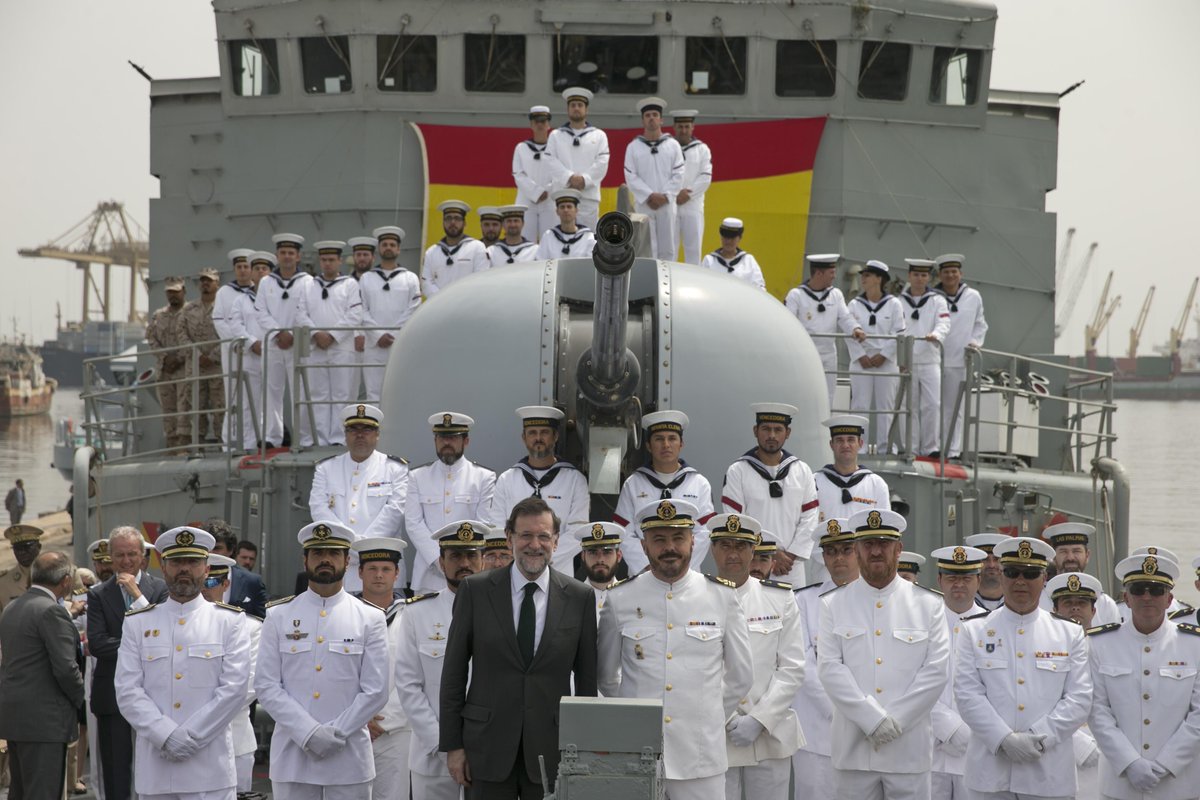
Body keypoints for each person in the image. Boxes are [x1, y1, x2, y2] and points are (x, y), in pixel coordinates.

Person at [441, 497, 598, 798]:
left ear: (556, 540)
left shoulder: (580, 598)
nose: (534, 545)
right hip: (485, 749)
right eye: (526, 535)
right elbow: (453, 675)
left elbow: (587, 683)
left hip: (552, 751)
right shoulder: (475, 591)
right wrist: (453, 746)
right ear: (509, 537)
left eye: (543, 536)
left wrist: (583, 748)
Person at [598, 499, 754, 800]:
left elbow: (741, 676)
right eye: (659, 539)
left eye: (678, 538)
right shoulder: (619, 599)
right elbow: (606, 676)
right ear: (643, 546)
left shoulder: (721, 596)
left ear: (693, 541)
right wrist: (635, 716)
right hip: (638, 753)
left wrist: (705, 716)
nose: (670, 547)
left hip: (701, 756)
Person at [818, 508, 950, 800]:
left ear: (898, 549)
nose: (876, 551)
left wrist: (896, 721)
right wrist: (872, 720)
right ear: (857, 550)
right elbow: (830, 669)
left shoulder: (928, 605)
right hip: (854, 752)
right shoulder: (833, 604)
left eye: (884, 544)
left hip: (908, 752)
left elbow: (936, 672)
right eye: (868, 544)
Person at [255, 521, 390, 800]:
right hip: (293, 758)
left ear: (347, 561)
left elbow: (376, 690)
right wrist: (308, 733)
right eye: (317, 553)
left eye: (333, 553)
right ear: (305, 560)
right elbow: (267, 686)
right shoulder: (278, 616)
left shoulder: (370, 618)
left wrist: (335, 733)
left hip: (349, 760)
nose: (325, 559)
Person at [114, 527, 251, 800]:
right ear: (164, 568)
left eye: (193, 562)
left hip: (210, 772)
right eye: (176, 562)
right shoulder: (138, 622)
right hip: (156, 770)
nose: (184, 569)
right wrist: (165, 735)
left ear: (207, 569)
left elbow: (234, 690)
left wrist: (191, 737)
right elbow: (127, 690)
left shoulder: (229, 621)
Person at [954, 536, 1091, 800]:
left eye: (1030, 574)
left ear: (1044, 579)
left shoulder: (1068, 633)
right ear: (1000, 575)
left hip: (1048, 774)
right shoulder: (974, 630)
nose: (1020, 581)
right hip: (990, 773)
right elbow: (967, 694)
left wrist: (1039, 737)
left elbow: (1079, 699)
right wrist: (1003, 739)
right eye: (1012, 572)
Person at [708, 513, 805, 800]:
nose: (733, 554)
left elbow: (792, 669)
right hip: (716, 734)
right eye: (725, 546)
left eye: (741, 546)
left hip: (768, 735)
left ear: (753, 551)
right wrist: (726, 717)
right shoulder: (696, 598)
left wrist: (759, 719)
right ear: (712, 550)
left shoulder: (780, 599)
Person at [1089, 553, 1200, 800]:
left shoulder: (1195, 644)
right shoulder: (1099, 644)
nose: (1147, 597)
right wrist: (1129, 763)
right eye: (1138, 589)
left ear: (1169, 599)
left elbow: (1198, 715)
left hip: (1179, 786)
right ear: (1127, 598)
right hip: (1120, 784)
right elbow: (1097, 711)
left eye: (1156, 590)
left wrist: (1168, 763)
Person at [395, 520, 486, 800]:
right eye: (455, 556)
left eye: (471, 555)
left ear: (483, 560)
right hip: (432, 756)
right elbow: (408, 686)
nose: (464, 563)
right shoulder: (417, 613)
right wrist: (445, 744)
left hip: (488, 754)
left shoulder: (504, 611)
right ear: (441, 562)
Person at [87, 526, 169, 800]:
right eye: (119, 555)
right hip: (111, 695)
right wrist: (139, 647)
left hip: (154, 694)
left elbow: (163, 635)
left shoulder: (160, 589)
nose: (126, 561)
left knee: (155, 769)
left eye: (132, 554)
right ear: (110, 557)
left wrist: (137, 596)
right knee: (116, 771)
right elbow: (98, 644)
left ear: (143, 556)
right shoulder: (98, 594)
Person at [0, 551, 85, 800]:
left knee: (21, 791)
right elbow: (66, 669)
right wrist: (80, 698)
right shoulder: (51, 611)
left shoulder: (12, 607)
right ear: (66, 581)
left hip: (16, 718)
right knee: (43, 792)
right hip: (45, 723)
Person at [310, 404, 409, 593]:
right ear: (345, 435)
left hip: (382, 570)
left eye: (367, 429)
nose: (360, 435)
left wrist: (358, 547)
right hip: (339, 573)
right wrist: (348, 545)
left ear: (377, 434)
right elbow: (318, 509)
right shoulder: (326, 468)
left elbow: (394, 513)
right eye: (353, 429)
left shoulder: (395, 468)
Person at [792, 518, 859, 799]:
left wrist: (863, 715)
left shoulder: (878, 600)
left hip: (866, 733)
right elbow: (803, 665)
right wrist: (845, 712)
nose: (838, 558)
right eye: (831, 551)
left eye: (846, 550)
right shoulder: (803, 602)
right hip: (818, 734)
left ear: (859, 551)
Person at [720, 403, 819, 586]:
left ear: (787, 433)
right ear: (755, 431)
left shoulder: (802, 470)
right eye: (766, 429)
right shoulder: (738, 471)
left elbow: (810, 517)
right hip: (752, 563)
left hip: (790, 567)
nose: (772, 435)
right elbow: (735, 520)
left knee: (793, 605)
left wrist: (790, 555)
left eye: (778, 429)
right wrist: (771, 553)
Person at [488, 406, 589, 574]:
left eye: (544, 432)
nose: (538, 438)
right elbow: (498, 530)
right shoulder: (507, 479)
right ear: (524, 437)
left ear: (555, 436)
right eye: (532, 433)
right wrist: (523, 560)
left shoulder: (575, 480)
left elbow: (578, 532)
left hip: (559, 572)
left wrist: (542, 557)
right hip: (515, 571)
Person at [614, 410, 715, 575]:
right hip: (644, 575)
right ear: (648, 445)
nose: (666, 445)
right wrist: (649, 566)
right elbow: (623, 531)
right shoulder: (633, 484)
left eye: (672, 438)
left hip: (687, 576)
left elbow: (706, 531)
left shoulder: (699, 483)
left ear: (681, 444)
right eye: (659, 439)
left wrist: (682, 567)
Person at [405, 412, 496, 593]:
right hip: (428, 575)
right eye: (442, 438)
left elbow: (484, 525)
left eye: (453, 438)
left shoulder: (483, 477)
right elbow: (413, 523)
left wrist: (458, 562)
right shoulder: (417, 476)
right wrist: (439, 560)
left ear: (466, 441)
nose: (446, 442)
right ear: (435, 441)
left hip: (468, 572)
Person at [350, 537, 412, 800]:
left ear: (397, 574)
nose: (378, 575)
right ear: (360, 572)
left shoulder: (412, 615)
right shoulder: (344, 614)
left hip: (396, 729)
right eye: (372, 568)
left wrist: (385, 718)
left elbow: (414, 674)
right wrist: (360, 718)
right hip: (350, 727)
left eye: (386, 569)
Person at [927, 545, 989, 799]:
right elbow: (908, 680)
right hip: (929, 750)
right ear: (940, 580)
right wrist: (948, 727)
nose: (959, 585)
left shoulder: (994, 626)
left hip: (977, 752)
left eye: (966, 578)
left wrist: (970, 731)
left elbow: (1001, 689)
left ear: (978, 581)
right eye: (952, 577)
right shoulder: (922, 623)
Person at [199, 552, 262, 794]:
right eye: (201, 581)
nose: (205, 588)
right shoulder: (175, 624)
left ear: (225, 585)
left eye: (212, 582)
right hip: (187, 740)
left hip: (235, 739)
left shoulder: (251, 627)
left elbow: (248, 688)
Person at [295, 240, 363, 446]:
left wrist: (332, 335)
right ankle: (321, 438)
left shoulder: (350, 284)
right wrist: (317, 333)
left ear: (339, 261)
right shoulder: (308, 285)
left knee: (342, 393)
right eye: (324, 259)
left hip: (341, 347)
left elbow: (355, 314)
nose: (327, 263)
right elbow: (300, 314)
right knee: (318, 394)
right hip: (316, 347)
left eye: (331, 259)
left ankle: (339, 438)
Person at [1044, 571, 1103, 800]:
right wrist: (1077, 741)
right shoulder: (1039, 649)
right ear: (1055, 610)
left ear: (1094, 611)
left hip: (1101, 750)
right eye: (1068, 603)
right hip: (1055, 746)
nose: (1075, 608)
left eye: (1082, 603)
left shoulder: (1108, 651)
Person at [254, 233, 313, 449]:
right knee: (271, 392)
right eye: (283, 253)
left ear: (298, 256)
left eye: (291, 253)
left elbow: (306, 310)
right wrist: (279, 333)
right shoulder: (266, 282)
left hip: (297, 344)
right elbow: (260, 311)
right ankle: (272, 436)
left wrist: (291, 333)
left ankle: (304, 437)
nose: (287, 256)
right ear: (277, 256)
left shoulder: (307, 281)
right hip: (273, 344)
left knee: (301, 391)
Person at [785, 254, 866, 407]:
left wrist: (855, 328)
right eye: (831, 273)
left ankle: (824, 423)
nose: (834, 276)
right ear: (819, 273)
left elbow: (845, 317)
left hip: (828, 354)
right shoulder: (796, 295)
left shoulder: (836, 295)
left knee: (828, 395)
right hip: (804, 353)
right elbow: (788, 323)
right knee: (803, 393)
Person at [846, 260, 906, 452]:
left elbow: (899, 332)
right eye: (863, 275)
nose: (863, 279)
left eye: (867, 275)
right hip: (861, 361)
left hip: (886, 362)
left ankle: (884, 447)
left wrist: (884, 355)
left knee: (885, 407)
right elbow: (848, 330)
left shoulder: (894, 304)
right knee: (859, 405)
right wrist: (860, 355)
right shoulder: (854, 304)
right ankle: (859, 448)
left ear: (879, 279)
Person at [356, 226, 420, 404]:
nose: (388, 248)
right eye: (384, 244)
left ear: (398, 249)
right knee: (373, 393)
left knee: (400, 391)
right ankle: (375, 424)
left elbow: (414, 308)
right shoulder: (366, 278)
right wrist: (378, 335)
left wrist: (393, 334)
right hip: (374, 346)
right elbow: (361, 309)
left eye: (392, 245)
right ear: (379, 249)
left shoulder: (410, 278)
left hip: (401, 344)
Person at [933, 254, 987, 459]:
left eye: (954, 272)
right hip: (933, 360)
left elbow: (980, 324)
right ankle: (931, 447)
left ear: (960, 274)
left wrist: (975, 343)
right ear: (940, 275)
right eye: (946, 272)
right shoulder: (932, 297)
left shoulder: (973, 297)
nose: (950, 275)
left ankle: (953, 450)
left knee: (955, 408)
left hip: (959, 360)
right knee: (931, 406)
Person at [899, 258, 951, 456]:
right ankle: (910, 447)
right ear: (909, 276)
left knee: (932, 404)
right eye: (916, 275)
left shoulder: (937, 300)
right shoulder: (899, 302)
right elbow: (896, 327)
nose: (919, 279)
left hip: (930, 359)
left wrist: (936, 335)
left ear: (928, 277)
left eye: (923, 275)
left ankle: (931, 447)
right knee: (908, 406)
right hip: (908, 360)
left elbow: (944, 323)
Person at [212, 249, 262, 450]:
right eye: (239, 267)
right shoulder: (224, 292)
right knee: (234, 398)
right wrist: (239, 341)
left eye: (246, 267)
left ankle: (254, 440)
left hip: (257, 352)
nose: (242, 270)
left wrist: (253, 342)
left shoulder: (259, 292)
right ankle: (231, 442)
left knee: (256, 398)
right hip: (233, 353)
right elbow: (219, 320)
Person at [813, 415, 892, 541]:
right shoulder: (815, 482)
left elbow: (884, 529)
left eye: (851, 440)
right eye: (839, 440)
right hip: (823, 553)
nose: (845, 445)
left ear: (860, 443)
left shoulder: (876, 485)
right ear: (831, 444)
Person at [624, 96, 685, 259]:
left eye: (655, 115)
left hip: (666, 204)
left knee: (668, 247)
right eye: (648, 115)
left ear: (661, 120)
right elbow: (630, 175)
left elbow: (679, 173)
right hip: (644, 204)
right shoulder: (633, 147)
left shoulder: (673, 145)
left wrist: (665, 196)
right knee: (644, 246)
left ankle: (667, 275)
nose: (651, 118)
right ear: (643, 120)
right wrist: (649, 195)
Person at [545, 87, 609, 230]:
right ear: (567, 109)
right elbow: (550, 160)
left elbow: (602, 163)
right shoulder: (556, 135)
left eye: (580, 105)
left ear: (586, 110)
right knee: (561, 237)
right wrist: (569, 178)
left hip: (588, 198)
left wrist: (584, 180)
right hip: (563, 197)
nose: (576, 108)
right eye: (573, 105)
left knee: (588, 238)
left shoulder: (599, 135)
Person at [1038, 521, 1121, 624]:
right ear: (1054, 557)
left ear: (1087, 555)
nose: (1070, 558)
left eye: (1076, 551)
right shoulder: (1038, 600)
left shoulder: (1105, 605)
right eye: (1063, 552)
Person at [147, 276, 192, 449]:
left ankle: (183, 444)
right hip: (165, 370)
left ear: (183, 291)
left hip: (184, 369)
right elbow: (152, 339)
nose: (173, 295)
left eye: (176, 292)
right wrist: (165, 357)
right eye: (170, 292)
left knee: (184, 408)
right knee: (168, 410)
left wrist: (179, 358)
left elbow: (195, 338)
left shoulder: (191, 313)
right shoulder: (158, 316)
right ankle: (171, 444)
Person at [181, 267, 226, 443]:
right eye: (203, 280)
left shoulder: (225, 307)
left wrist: (213, 356)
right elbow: (181, 334)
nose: (205, 283)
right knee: (195, 408)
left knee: (220, 408)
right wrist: (197, 355)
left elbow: (229, 334)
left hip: (217, 367)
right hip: (196, 367)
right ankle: (196, 446)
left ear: (217, 283)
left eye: (209, 280)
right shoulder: (188, 309)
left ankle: (223, 444)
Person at [422, 200, 489, 299]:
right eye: (448, 218)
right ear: (443, 222)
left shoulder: (477, 248)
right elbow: (426, 282)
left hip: (467, 304)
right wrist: (442, 299)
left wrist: (457, 301)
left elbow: (480, 279)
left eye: (457, 218)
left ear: (464, 223)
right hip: (440, 305)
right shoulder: (431, 252)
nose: (452, 222)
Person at [670, 109, 712, 265]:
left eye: (687, 126)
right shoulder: (667, 148)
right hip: (671, 204)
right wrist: (673, 194)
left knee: (693, 250)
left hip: (692, 205)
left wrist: (688, 194)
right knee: (669, 250)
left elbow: (705, 177)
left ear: (693, 127)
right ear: (674, 127)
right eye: (680, 127)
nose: (683, 130)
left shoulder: (702, 149)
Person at [205, 519, 269, 617]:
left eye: (217, 548)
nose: (211, 553)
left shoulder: (251, 581)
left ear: (231, 550)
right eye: (207, 548)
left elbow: (264, 620)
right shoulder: (191, 577)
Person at [512, 105, 557, 241]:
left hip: (549, 201)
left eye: (543, 121)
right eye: (536, 121)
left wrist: (547, 191)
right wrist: (537, 192)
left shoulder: (556, 148)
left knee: (550, 239)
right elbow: (518, 174)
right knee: (524, 240)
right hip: (526, 201)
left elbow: (560, 174)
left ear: (548, 124)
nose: (540, 124)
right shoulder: (521, 148)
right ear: (531, 124)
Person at [574, 522, 623, 619]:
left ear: (618, 556)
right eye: (593, 552)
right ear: (583, 556)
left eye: (607, 552)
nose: (600, 559)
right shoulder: (571, 599)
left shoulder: (632, 598)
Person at [700, 218, 766, 290]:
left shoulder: (748, 261)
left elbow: (759, 288)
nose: (728, 241)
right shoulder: (709, 260)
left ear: (740, 238)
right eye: (725, 237)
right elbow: (702, 286)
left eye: (732, 238)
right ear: (721, 237)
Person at [535, 190, 596, 259]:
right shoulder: (548, 236)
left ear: (576, 210)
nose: (566, 210)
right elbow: (540, 262)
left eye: (569, 207)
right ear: (557, 211)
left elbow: (591, 263)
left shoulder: (588, 237)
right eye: (562, 207)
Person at [1, 524, 42, 611]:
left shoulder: (59, 575)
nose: (22, 552)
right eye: (17, 549)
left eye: (27, 547)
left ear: (39, 547)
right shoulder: (3, 582)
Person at [963, 532, 1008, 611]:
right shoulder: (963, 601)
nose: (991, 565)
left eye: (996, 559)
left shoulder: (1016, 602)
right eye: (985, 559)